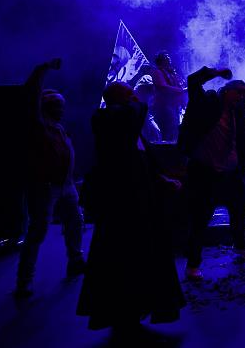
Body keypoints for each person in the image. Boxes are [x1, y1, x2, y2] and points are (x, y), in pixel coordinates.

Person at [77, 82, 185, 331]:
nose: (134, 99)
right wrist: (139, 99)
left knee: (145, 257)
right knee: (121, 260)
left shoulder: (130, 126)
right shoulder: (105, 118)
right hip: (120, 206)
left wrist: (162, 179)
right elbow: (128, 122)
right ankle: (123, 313)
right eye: (129, 95)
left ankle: (139, 308)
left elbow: (142, 161)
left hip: (141, 202)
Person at [178, 67, 245, 281]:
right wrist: (215, 72)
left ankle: (240, 245)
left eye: (244, 94)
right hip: (204, 171)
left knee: (239, 209)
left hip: (231, 173)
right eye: (238, 91)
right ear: (226, 90)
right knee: (200, 217)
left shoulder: (241, 118)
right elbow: (193, 81)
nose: (241, 97)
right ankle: (193, 264)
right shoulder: (207, 104)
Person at [15, 58, 85, 298]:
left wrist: (72, 180)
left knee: (75, 222)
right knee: (37, 232)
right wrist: (42, 69)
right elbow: (30, 95)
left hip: (66, 185)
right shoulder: (38, 125)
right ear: (45, 107)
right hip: (44, 187)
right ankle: (24, 281)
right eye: (56, 105)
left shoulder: (58, 127)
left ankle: (75, 260)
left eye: (62, 105)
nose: (61, 109)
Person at [150, 51, 186, 142]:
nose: (169, 58)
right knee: (168, 129)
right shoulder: (157, 72)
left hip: (173, 105)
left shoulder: (171, 72)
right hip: (164, 105)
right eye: (166, 56)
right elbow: (163, 86)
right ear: (161, 60)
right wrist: (180, 90)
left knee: (175, 128)